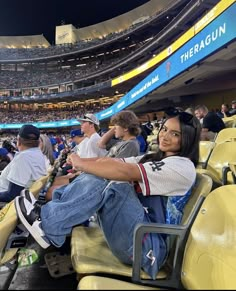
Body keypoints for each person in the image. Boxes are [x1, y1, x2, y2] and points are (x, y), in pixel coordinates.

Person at [15, 108, 201, 280]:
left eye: (175, 134)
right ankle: (48, 217)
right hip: (133, 234)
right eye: (165, 129)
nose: (165, 136)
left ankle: (48, 225)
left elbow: (122, 172)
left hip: (147, 248)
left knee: (114, 180)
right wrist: (82, 163)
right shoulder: (153, 157)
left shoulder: (183, 167)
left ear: (188, 139)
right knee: (103, 171)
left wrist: (81, 163)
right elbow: (110, 162)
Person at [0, 125, 47, 202]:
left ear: (19, 141)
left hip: (7, 202)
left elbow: (11, 195)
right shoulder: (38, 154)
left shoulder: (23, 158)